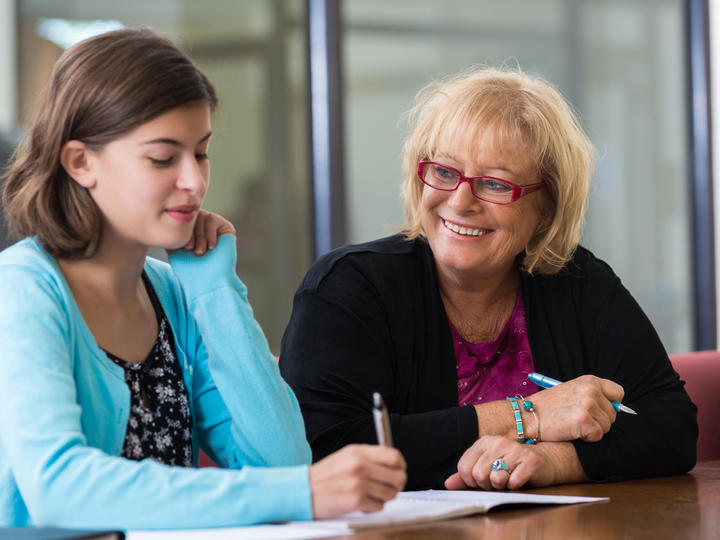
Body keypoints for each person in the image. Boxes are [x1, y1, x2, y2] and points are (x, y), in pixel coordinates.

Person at [0, 28, 405, 529]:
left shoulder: (172, 292)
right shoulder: (24, 289)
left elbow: (281, 464)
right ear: (81, 162)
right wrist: (296, 491)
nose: (194, 181)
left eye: (201, 153)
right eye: (163, 158)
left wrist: (216, 289)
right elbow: (59, 487)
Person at [279, 66, 698, 491]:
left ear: (546, 208)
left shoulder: (578, 282)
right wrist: (529, 416)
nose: (460, 202)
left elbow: (673, 425)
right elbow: (326, 449)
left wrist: (555, 460)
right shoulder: (347, 287)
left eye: (494, 184)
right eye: (444, 172)